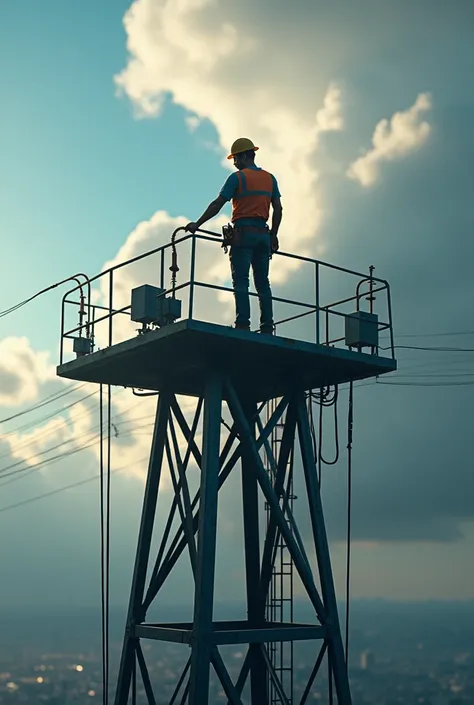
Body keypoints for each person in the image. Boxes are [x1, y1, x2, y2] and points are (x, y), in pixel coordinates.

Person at [185, 137, 283, 334]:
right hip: (264, 235)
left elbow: (217, 204)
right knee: (263, 282)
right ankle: (267, 326)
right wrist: (273, 235)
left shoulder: (237, 178)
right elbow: (278, 209)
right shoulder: (270, 178)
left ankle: (243, 324)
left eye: (236, 159)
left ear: (245, 156)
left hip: (243, 234)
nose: (234, 163)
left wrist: (198, 223)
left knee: (241, 281)